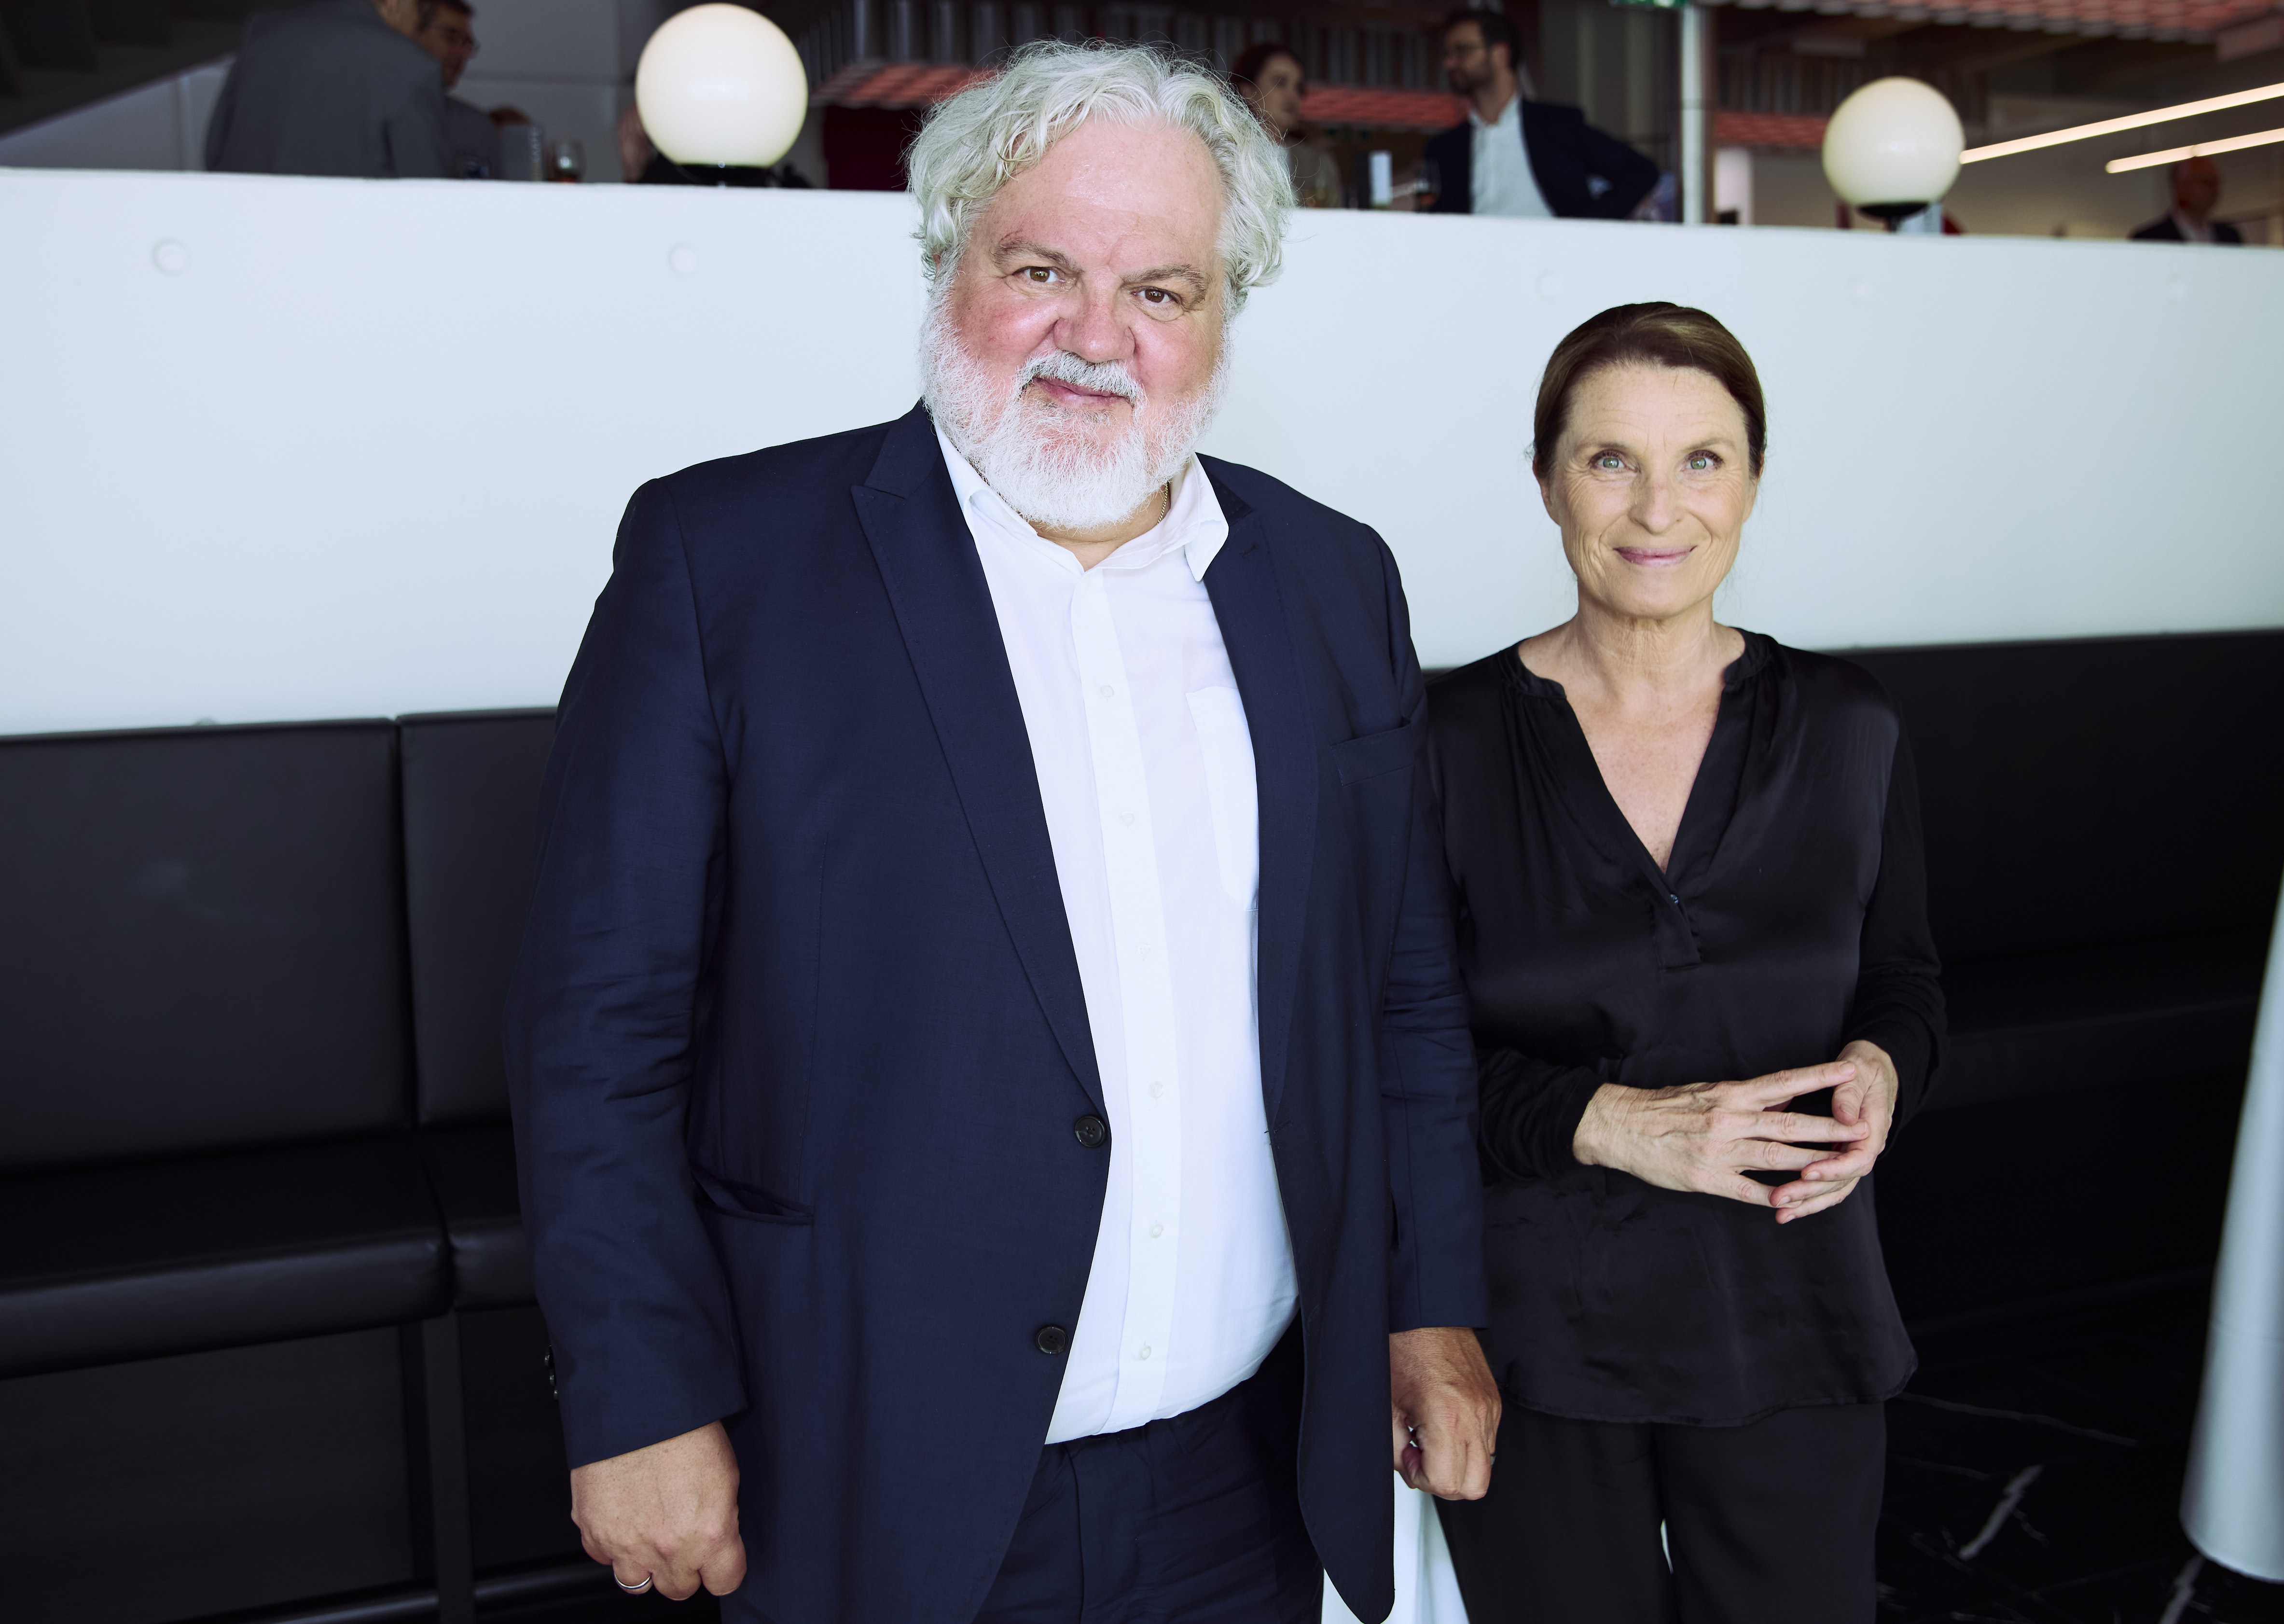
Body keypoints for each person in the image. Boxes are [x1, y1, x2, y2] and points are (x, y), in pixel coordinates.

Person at [504, 40, 1498, 1624]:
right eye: (1041, 270)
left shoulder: (1330, 581)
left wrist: (1427, 1302)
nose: (1096, 335)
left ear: (1223, 313)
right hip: (863, 1456)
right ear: (946, 257)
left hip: (1245, 1472)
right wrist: (637, 1391)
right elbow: (598, 1027)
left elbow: (1400, 991)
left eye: (1160, 290)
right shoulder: (722, 561)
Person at [1425, 302, 1944, 1624]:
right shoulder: (1441, 739)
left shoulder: (1848, 725)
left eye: (1701, 460)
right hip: (1529, 1335)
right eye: (1609, 459)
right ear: (1545, 479)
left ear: (1752, 480)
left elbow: (1904, 978)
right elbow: (1385, 1048)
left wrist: (1885, 1065)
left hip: (1795, 1307)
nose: (1657, 508)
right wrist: (1611, 1123)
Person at [1425, 9, 1656, 220]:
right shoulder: (1444, 148)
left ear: (1500, 54)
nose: (1449, 63)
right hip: (1473, 251)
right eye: (1447, 53)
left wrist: (1588, 225)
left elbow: (1641, 171)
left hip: (1553, 251)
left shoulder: (1557, 126)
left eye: (1463, 51)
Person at [204, 0, 452, 179]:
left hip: (248, 225)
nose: (417, 29)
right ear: (394, 3)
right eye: (422, 13)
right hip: (351, 231)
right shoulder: (412, 65)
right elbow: (429, 186)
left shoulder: (263, 33)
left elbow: (215, 152)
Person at [1232, 42, 1342, 208]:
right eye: (1280, 82)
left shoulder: (1318, 163)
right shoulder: (1226, 155)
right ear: (1248, 91)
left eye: (1298, 88)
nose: (1292, 96)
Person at [412, 0, 498, 179]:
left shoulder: (476, 127)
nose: (463, 53)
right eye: (450, 36)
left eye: (467, 43)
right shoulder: (379, 116)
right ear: (411, 33)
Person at [2131, 155, 2242, 243]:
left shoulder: (2230, 237)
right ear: (2180, 187)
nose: (2213, 189)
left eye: (2215, 182)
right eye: (2205, 182)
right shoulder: (2149, 238)